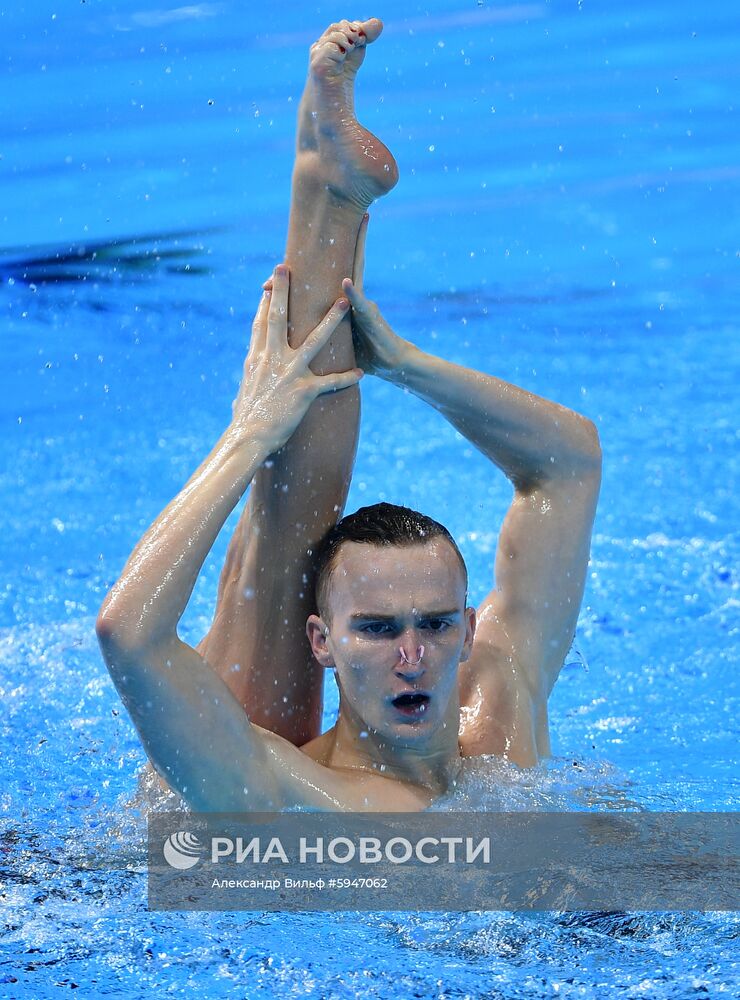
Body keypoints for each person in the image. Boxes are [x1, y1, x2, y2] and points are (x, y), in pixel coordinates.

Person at [96, 18, 601, 812]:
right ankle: (322, 191)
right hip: (141, 850)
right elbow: (127, 636)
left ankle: (327, 193)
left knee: (289, 553)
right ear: (324, 643)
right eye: (377, 630)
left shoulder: (498, 715)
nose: (413, 657)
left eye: (436, 625)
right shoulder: (302, 797)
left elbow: (569, 463)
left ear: (469, 630)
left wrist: (404, 364)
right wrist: (248, 432)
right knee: (273, 591)